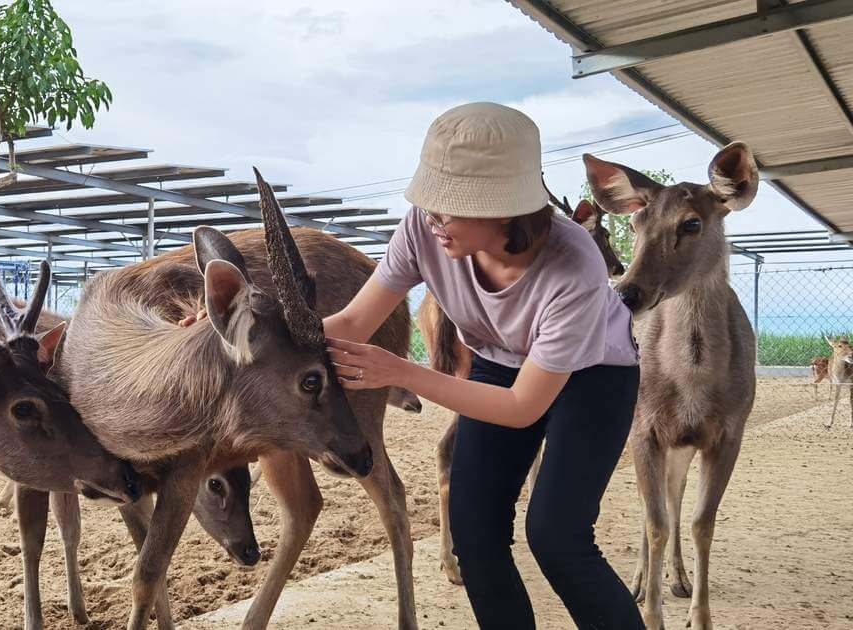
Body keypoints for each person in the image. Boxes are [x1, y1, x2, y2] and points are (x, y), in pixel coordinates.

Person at [183, 102, 642, 629]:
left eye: (453, 206)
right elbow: (352, 322)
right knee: (473, 532)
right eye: (431, 202)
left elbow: (522, 407)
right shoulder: (424, 229)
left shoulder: (572, 262)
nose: (435, 218)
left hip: (592, 377)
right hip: (498, 361)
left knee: (558, 538)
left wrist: (399, 371)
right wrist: (230, 337)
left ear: (506, 209)